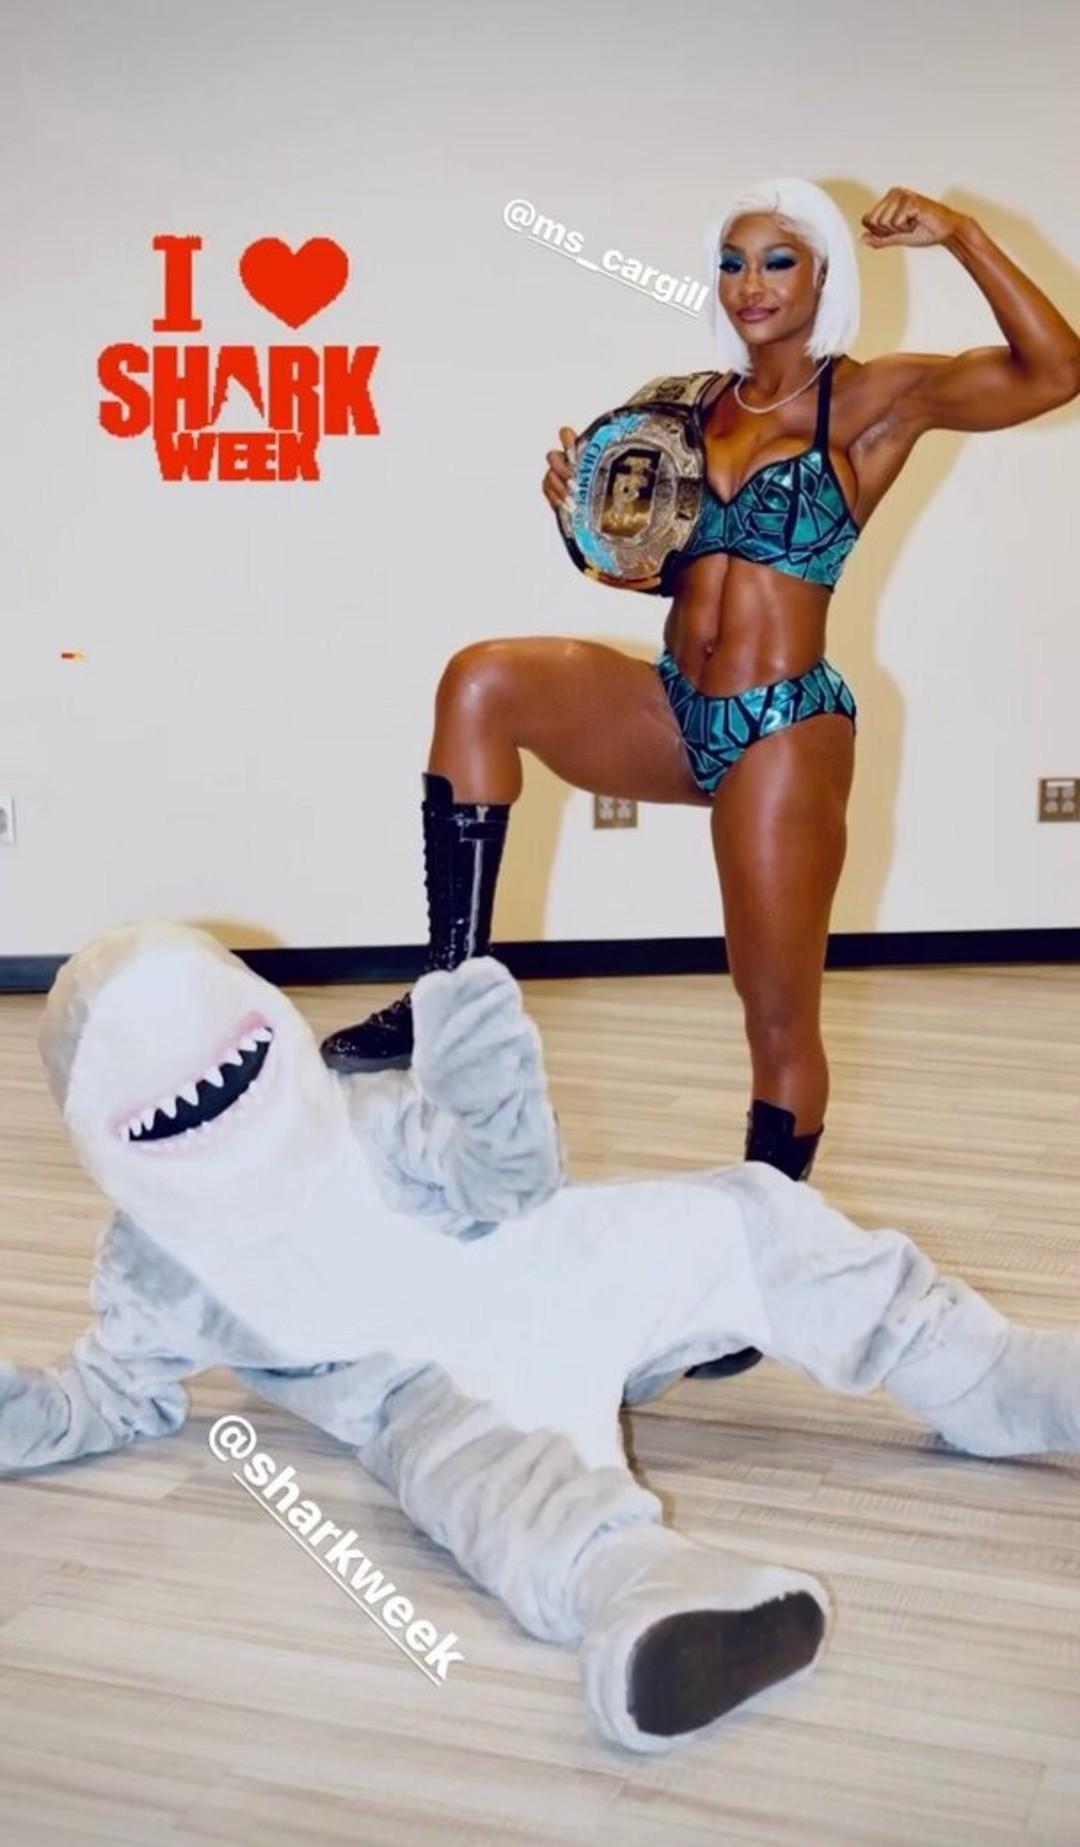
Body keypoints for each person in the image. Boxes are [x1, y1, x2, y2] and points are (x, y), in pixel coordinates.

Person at [321, 177, 1079, 1195]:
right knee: (482, 680)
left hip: (784, 725)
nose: (750, 283)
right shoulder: (683, 406)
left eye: (777, 261)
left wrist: (962, 235)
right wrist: (587, 520)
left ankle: (769, 1231)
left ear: (824, 276)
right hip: (677, 707)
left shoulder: (871, 400)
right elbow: (656, 570)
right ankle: (445, 993)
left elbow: (1056, 369)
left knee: (775, 1014)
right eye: (732, 262)